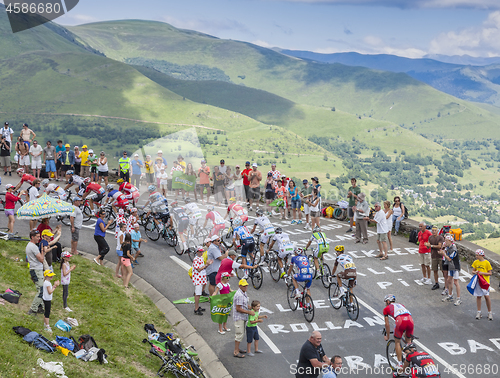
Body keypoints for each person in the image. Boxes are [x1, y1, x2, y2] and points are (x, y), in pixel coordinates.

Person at [383, 294, 414, 369]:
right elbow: (404, 315)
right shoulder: (401, 304)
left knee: (397, 341)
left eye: (385, 302)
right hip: (410, 319)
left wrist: (387, 336)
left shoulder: (386, 309)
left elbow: (387, 324)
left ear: (388, 301)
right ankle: (413, 361)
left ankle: (400, 364)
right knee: (409, 342)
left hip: (400, 320)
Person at [233, 279, 254, 358]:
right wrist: (249, 312)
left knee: (241, 334)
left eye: (246, 285)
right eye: (244, 286)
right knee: (239, 334)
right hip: (239, 317)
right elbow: (238, 308)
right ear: (240, 286)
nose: (246, 287)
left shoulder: (243, 293)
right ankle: (236, 351)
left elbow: (244, 304)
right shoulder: (239, 295)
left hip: (243, 317)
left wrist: (251, 307)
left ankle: (238, 349)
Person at [27, 230, 45, 316]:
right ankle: (33, 309)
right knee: (41, 290)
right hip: (36, 270)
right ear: (32, 237)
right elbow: (41, 259)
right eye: (37, 237)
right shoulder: (33, 247)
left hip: (34, 269)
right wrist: (42, 250)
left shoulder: (29, 246)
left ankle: (40, 307)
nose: (39, 238)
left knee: (40, 289)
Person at [471, 249, 493, 320]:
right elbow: (473, 271)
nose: (476, 256)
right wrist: (475, 272)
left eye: (477, 255)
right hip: (478, 281)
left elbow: (490, 273)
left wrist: (482, 273)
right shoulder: (475, 262)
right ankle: (479, 311)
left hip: (485, 282)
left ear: (481, 255)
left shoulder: (487, 263)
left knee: (487, 296)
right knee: (479, 296)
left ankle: (490, 312)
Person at [441, 235, 461, 306]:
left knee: (456, 282)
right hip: (450, 266)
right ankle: (450, 295)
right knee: (449, 280)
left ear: (450, 241)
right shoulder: (448, 247)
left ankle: (458, 298)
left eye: (446, 240)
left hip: (455, 267)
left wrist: (444, 254)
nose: (445, 242)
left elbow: (449, 258)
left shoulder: (453, 249)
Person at [193, 247, 211, 315]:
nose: (201, 253)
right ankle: (196, 309)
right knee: (197, 294)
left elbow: (203, 267)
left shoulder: (201, 258)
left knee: (199, 293)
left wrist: (207, 264)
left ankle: (197, 306)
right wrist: (206, 265)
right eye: (200, 252)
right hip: (198, 279)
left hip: (201, 278)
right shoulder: (195, 259)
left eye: (202, 252)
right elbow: (198, 269)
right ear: (197, 252)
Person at [426, 226, 445, 290]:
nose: (433, 232)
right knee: (435, 270)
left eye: (435, 230)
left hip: (440, 256)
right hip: (433, 255)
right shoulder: (430, 237)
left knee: (443, 271)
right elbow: (428, 246)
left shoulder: (440, 237)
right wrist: (427, 245)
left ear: (437, 231)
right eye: (433, 230)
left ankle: (446, 284)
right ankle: (436, 283)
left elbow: (439, 246)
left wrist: (430, 245)